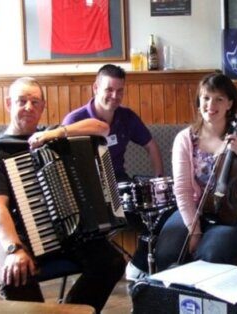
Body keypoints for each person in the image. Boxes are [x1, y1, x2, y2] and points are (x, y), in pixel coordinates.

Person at [0, 77, 126, 313]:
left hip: (67, 231)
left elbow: (101, 128)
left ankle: (70, 311)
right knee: (14, 274)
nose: (28, 107)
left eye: (35, 102)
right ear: (9, 103)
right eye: (22, 101)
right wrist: (14, 249)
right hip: (18, 235)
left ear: (43, 107)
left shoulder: (50, 136)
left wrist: (56, 133)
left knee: (111, 262)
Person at [61, 64, 164, 281]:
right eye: (109, 89)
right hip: (85, 191)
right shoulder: (73, 120)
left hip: (117, 182)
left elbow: (151, 146)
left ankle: (136, 267)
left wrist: (158, 179)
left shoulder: (127, 117)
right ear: (96, 88)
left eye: (120, 91)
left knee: (154, 220)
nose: (114, 96)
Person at [154, 72, 237, 272]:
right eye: (206, 98)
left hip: (233, 216)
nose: (211, 105)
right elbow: (183, 190)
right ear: (198, 102)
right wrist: (194, 231)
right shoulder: (184, 139)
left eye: (219, 99)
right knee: (166, 253)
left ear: (230, 104)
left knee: (208, 257)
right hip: (195, 210)